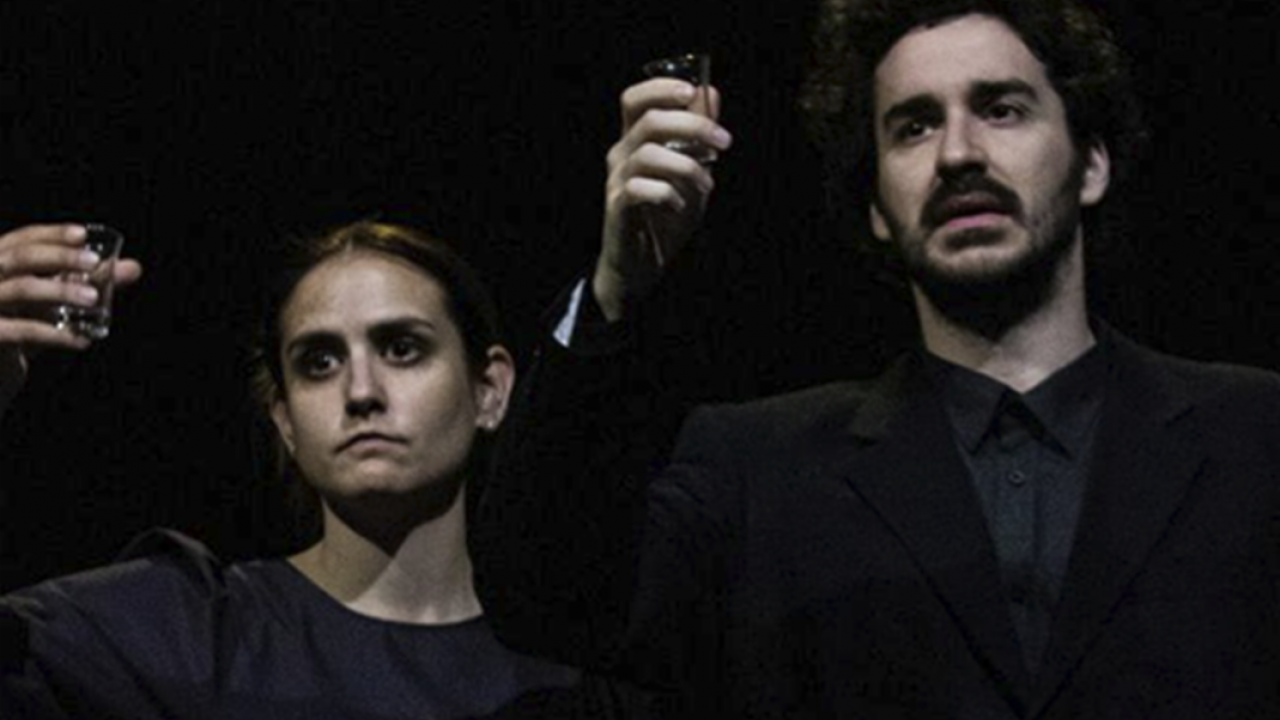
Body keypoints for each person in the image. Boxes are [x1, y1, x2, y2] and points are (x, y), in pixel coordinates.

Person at [471, 1, 1280, 718]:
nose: (958, 154)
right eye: (914, 126)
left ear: (1092, 163)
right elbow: (549, 604)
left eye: (1001, 109)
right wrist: (614, 291)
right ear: (877, 207)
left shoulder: (1257, 435)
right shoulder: (757, 472)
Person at [0, 220, 633, 719]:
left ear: (490, 391)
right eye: (319, 363)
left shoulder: (582, 668)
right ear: (285, 421)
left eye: (402, 348)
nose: (361, 392)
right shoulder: (186, 633)